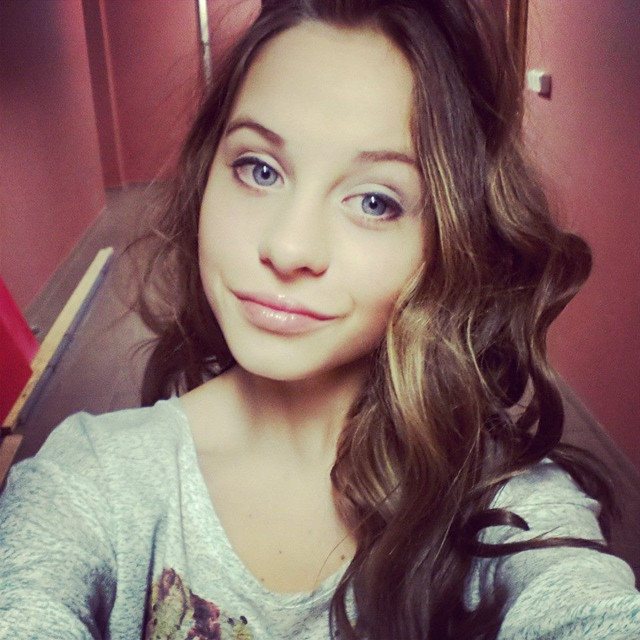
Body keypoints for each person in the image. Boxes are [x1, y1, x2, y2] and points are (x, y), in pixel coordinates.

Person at [1, 1, 638, 638]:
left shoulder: (506, 503)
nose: (288, 247)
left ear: (451, 238)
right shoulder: (87, 479)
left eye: (375, 201)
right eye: (259, 169)